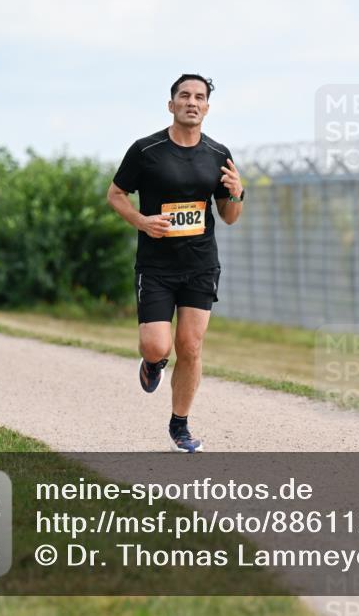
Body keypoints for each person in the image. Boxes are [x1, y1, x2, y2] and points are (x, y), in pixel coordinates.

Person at [106, 74, 244, 453]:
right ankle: (152, 363)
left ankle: (179, 426)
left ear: (207, 108)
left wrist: (238, 192)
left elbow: (229, 216)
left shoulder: (218, 155)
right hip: (156, 266)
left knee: (192, 346)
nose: (191, 102)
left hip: (200, 264)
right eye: (184, 95)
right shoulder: (146, 150)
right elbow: (115, 194)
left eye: (199, 97)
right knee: (156, 345)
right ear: (172, 104)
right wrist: (141, 221)